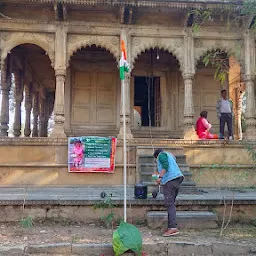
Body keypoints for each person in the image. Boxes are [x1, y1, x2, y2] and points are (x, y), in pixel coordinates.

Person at [153, 148, 184, 237]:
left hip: (170, 180)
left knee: (169, 204)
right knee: (171, 203)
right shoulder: (170, 155)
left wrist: (160, 177)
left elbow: (165, 165)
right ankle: (171, 226)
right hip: (178, 178)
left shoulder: (161, 155)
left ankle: (172, 228)